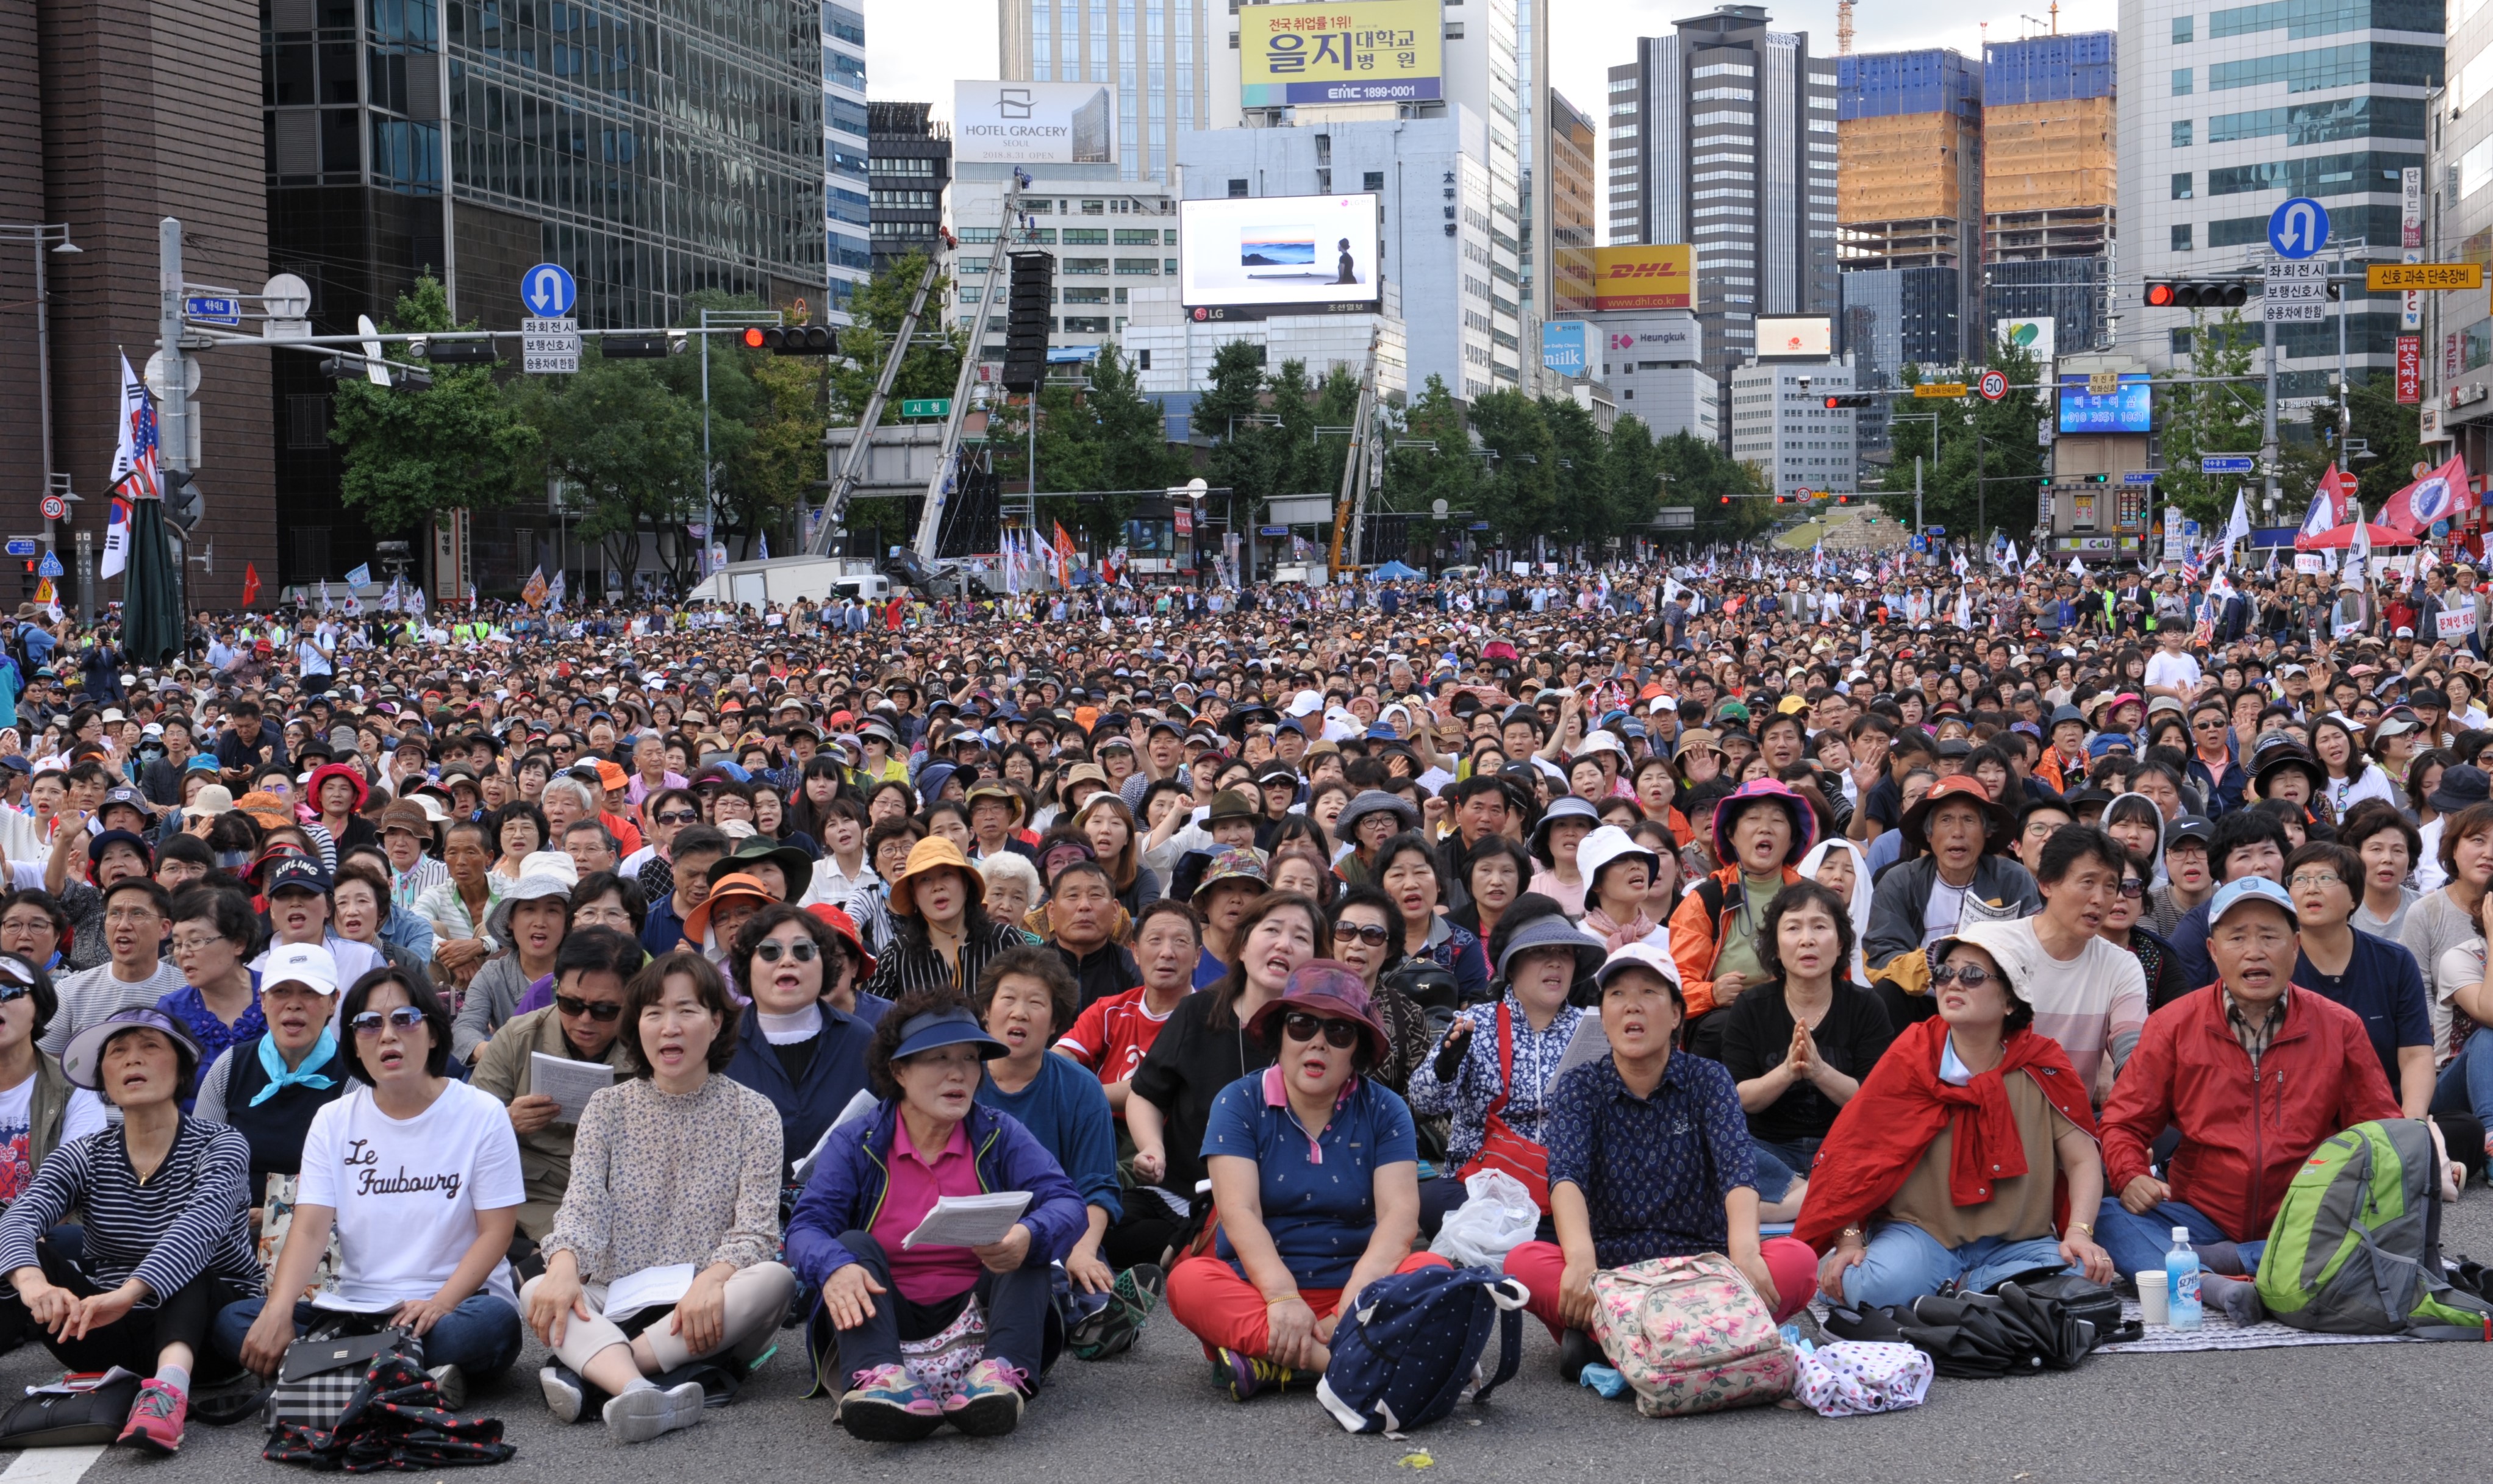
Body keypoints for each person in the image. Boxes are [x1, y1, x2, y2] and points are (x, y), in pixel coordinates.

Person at [786, 989, 1087, 1441]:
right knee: (851, 1247)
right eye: (938, 1058)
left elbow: (1067, 1203)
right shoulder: (856, 1141)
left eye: (969, 1058)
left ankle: (998, 1376)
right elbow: (806, 1227)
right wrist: (834, 1267)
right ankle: (882, 1382)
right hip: (886, 1322)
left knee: (1029, 1246)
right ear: (899, 1071)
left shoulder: (1000, 1133)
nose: (958, 1073)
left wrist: (1028, 1234)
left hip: (982, 1317)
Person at [1499, 944, 1818, 1371]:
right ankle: (1717, 1342)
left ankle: (1611, 1343)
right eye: (1617, 995)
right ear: (1603, 1017)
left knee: (1798, 1262)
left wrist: (1745, 1252)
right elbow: (1566, 1176)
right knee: (1522, 1263)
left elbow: (1737, 1171)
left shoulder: (1708, 1079)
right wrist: (1581, 1261)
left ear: (1675, 1016)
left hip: (1703, 1269)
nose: (1632, 1005)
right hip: (1611, 1271)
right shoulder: (1580, 1085)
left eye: (1649, 992)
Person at [218, 968, 528, 1405]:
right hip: (358, 1311)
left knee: (492, 1323)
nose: (387, 1036)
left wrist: (440, 1303)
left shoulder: (482, 1113)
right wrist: (278, 1310)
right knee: (235, 1320)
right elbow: (309, 1229)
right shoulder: (333, 1120)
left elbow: (497, 1232)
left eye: (405, 1019)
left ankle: (329, 1372)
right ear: (354, 1042)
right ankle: (406, 1374)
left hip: (453, 1307)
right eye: (369, 1024)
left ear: (433, 1034)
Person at [523, 951, 796, 1443]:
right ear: (637, 1026)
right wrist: (563, 1266)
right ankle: (639, 1390)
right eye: (654, 1013)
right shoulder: (608, 1106)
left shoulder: (754, 1113)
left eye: (686, 1011)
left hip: (704, 1304)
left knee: (775, 1279)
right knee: (536, 1288)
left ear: (716, 1022)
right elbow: (583, 1205)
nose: (669, 1027)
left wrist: (712, 1279)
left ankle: (598, 1370)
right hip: (617, 1293)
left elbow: (756, 1231)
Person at [1164, 960, 1454, 1399]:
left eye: (1339, 1032)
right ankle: (1347, 1366)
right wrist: (1282, 1297)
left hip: (1359, 1289)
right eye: (1302, 1025)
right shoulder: (1238, 1101)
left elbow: (1399, 1217)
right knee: (1188, 1282)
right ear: (1280, 1034)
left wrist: (1352, 1305)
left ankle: (1273, 1360)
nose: (1318, 1042)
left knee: (1434, 1272)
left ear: (1357, 1049)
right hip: (1260, 1292)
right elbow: (1239, 1211)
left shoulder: (1386, 1109)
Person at [2095, 877, 2405, 1281]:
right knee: (2107, 1216)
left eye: (2270, 937)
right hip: (2200, 1215)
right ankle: (2234, 1276)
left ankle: (2215, 1267)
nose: (2255, 952)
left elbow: (2380, 1132)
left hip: (2304, 1215)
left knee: (2378, 1225)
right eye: (2237, 938)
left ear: (2295, 946)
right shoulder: (2173, 1024)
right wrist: (2131, 1175)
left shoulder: (2340, 1026)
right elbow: (2124, 1122)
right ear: (2213, 950)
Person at [1797, 930, 2115, 1307]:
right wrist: (1849, 1240)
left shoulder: (2042, 1064)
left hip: (2020, 1244)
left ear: (2010, 1000)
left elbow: (2082, 1160)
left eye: (1973, 975)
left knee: (2083, 1277)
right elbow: (1851, 1154)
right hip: (1920, 1237)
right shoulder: (1911, 1055)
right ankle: (1994, 1291)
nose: (1954, 983)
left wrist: (2079, 1233)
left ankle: (1958, 1290)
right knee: (1868, 1288)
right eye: (1945, 973)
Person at [0, 1006, 257, 1453]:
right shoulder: (85, 1154)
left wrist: (128, 1294)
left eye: (150, 1047)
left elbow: (199, 1228)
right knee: (22, 1254)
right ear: (103, 1077)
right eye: (117, 1052)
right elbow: (20, 1217)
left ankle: (167, 1394)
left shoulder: (220, 1144)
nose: (132, 1059)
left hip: (206, 1336)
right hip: (108, 1328)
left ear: (181, 1070)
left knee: (187, 1262)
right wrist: (33, 1284)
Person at [972, 947, 1158, 1357]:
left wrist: (1084, 1251)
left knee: (1088, 1278)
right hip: (977, 1237)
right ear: (986, 1011)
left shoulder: (1080, 1087)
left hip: (1061, 1231)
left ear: (1055, 1023)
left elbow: (1098, 1186)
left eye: (1036, 1003)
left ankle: (1090, 1314)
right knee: (1038, 1283)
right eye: (1008, 999)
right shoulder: (959, 1080)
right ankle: (1078, 1319)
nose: (1020, 1013)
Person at [1127, 893, 1325, 1233]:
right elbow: (1145, 1095)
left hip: (1275, 1204)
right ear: (1243, 947)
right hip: (1184, 1194)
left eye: (1301, 938)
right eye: (1272, 930)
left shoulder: (1324, 1036)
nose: (1284, 944)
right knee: (1115, 1224)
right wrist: (1152, 1147)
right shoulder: (1197, 1012)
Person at [1406, 912, 1603, 1230]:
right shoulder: (1477, 1022)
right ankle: (1537, 1236)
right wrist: (1444, 1068)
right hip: (1483, 1182)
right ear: (1511, 967)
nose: (1555, 962)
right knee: (1431, 1202)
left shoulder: (1592, 1027)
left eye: (1565, 952)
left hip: (1563, 1183)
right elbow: (1423, 1103)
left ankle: (1527, 1235)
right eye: (1540, 951)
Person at [1717, 881, 1894, 1222]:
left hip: (1842, 1149)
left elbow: (1876, 1103)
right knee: (1719, 1143)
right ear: (1775, 945)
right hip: (1770, 1153)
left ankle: (1786, 1207)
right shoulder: (1751, 1007)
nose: (1807, 940)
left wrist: (1819, 1071)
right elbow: (1739, 1098)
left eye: (1820, 927)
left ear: (1840, 943)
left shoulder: (1866, 1006)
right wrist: (1787, 1071)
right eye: (1793, 928)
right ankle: (1824, 1197)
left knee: (1893, 1146)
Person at [470, 927, 648, 1243]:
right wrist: (506, 1120)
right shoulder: (518, 1036)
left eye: (605, 1010)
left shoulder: (651, 1046)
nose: (585, 1020)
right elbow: (465, 1132)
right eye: (571, 1005)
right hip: (530, 1192)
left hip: (621, 1196)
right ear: (556, 989)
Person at [192, 941, 352, 1207]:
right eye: (281, 992)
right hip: (230, 1220)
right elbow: (200, 1161)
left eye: (310, 992)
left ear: (333, 1002)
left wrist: (278, 1216)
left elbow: (355, 1181)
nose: (294, 1005)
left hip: (322, 1225)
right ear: (263, 1001)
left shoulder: (353, 1075)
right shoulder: (231, 1066)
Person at [723, 904, 877, 1178]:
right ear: (748, 965)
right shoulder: (718, 1046)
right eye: (770, 951)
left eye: (802, 950)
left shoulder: (862, 1042)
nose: (787, 961)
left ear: (825, 964)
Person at [1864, 776, 2042, 1008]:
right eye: (1946, 820)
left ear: (1986, 831)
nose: (1958, 832)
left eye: (1969, 820)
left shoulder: (2012, 879)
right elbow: (1881, 956)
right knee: (1887, 991)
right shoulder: (1900, 882)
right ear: (1929, 833)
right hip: (1922, 1000)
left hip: (1989, 1003)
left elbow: (2035, 949)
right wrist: (1941, 966)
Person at [1667, 777, 1815, 1033]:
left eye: (1778, 820)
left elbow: (1837, 971)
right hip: (1729, 1017)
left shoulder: (1813, 899)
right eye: (1753, 819)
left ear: (1792, 839)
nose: (1765, 829)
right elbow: (1678, 981)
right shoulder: (1706, 899)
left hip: (1801, 1011)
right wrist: (1711, 993)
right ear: (1731, 834)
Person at [0, 951, 108, 1216]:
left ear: (39, 1006)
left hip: (42, 1232)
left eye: (9, 991)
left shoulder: (74, 1087)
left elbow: (72, 1185)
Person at [859, 836, 1025, 1001]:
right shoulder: (898, 953)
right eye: (925, 880)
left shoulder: (1004, 940)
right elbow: (870, 1011)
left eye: (947, 875)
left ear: (966, 884)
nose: (937, 887)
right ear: (914, 895)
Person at [44, 876, 184, 1058]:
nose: (123, 925)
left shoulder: (188, 990)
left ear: (164, 928)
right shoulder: (71, 992)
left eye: (137, 914)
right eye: (115, 914)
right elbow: (49, 1064)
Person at [454, 869, 572, 1061]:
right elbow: (465, 1028)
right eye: (529, 910)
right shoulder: (493, 974)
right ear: (511, 921)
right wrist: (494, 1052)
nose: (540, 922)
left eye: (552, 911)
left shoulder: (581, 975)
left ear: (567, 924)